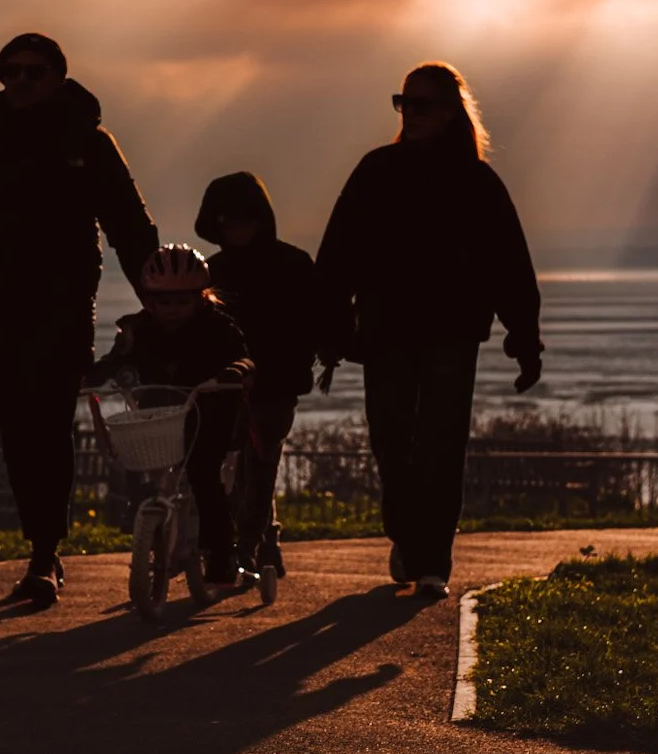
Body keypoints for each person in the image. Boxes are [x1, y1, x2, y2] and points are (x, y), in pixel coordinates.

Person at [0, 32, 158, 608]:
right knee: (16, 430)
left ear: (57, 78)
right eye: (11, 71)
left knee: (48, 423)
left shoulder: (90, 144)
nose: (21, 80)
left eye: (35, 72)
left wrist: (158, 300)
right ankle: (42, 548)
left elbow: (129, 223)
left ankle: (44, 555)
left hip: (63, 306)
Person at [314, 61, 542, 602]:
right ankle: (408, 536)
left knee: (441, 443)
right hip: (386, 332)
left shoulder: (478, 182)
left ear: (449, 113)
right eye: (403, 103)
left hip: (452, 333)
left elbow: (509, 264)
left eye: (421, 105)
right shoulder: (375, 170)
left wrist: (525, 339)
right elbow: (337, 254)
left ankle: (433, 559)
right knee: (390, 440)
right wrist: (329, 327)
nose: (409, 114)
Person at [89, 243, 254, 586]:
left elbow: (244, 356)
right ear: (149, 301)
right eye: (165, 302)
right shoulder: (137, 330)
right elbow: (117, 359)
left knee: (204, 474)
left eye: (183, 301)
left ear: (201, 297)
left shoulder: (218, 327)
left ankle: (221, 553)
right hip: (161, 417)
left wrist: (234, 371)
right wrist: (97, 374)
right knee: (141, 468)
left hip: (210, 415)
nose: (173, 310)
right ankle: (149, 532)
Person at [194, 170, 319, 580]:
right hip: (226, 385)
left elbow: (313, 323)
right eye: (228, 221)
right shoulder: (207, 273)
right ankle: (262, 542)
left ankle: (248, 547)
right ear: (216, 224)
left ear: (261, 219)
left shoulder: (294, 264)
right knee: (233, 468)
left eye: (246, 219)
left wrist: (319, 358)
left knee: (260, 466)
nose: (237, 228)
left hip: (277, 385)